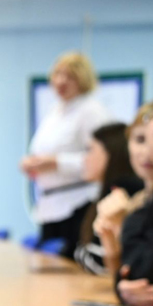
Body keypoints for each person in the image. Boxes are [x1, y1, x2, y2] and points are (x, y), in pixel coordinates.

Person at [21, 52, 110, 259]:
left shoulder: (91, 111)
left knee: (70, 266)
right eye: (58, 74)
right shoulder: (55, 111)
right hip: (50, 205)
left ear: (83, 79)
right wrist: (31, 164)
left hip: (77, 204)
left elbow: (102, 160)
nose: (61, 81)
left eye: (69, 76)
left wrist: (58, 163)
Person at [72, 122, 143, 274]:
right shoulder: (104, 194)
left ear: (111, 154)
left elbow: (99, 263)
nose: (84, 159)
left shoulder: (123, 193)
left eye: (90, 150)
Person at [115, 101, 153, 306]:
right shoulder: (138, 203)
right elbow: (132, 269)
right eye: (140, 139)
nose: (147, 151)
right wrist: (122, 287)